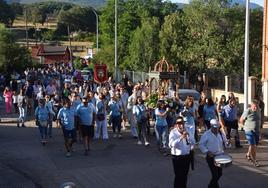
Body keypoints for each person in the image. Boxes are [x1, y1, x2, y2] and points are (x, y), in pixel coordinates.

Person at [199, 119, 229, 188]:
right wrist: (207, 151)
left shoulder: (221, 133)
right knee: (215, 175)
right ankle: (212, 186)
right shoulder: (206, 134)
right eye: (215, 127)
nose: (216, 129)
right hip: (211, 157)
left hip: (220, 156)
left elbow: (225, 142)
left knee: (219, 174)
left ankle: (211, 185)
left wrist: (227, 144)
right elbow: (201, 144)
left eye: (217, 127)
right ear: (211, 126)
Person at [169, 117, 195, 188]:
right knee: (178, 177)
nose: (181, 125)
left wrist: (188, 137)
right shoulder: (173, 132)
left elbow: (193, 142)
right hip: (177, 158)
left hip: (186, 157)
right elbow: (171, 145)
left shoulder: (187, 131)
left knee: (185, 176)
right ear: (176, 125)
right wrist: (180, 138)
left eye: (182, 123)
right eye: (179, 123)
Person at [240, 100, 261, 167]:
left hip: (256, 131)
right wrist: (245, 127)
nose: (256, 108)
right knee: (253, 145)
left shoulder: (258, 110)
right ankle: (254, 160)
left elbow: (259, 120)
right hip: (249, 131)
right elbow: (241, 120)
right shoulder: (248, 111)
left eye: (257, 106)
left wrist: (260, 130)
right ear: (251, 105)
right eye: (254, 106)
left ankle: (248, 154)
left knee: (254, 145)